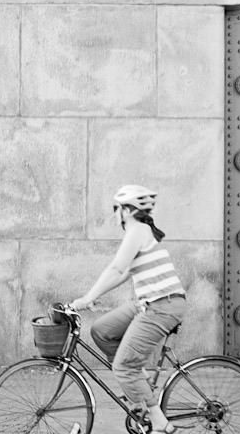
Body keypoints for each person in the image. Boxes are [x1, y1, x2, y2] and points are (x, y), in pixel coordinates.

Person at [70, 185, 186, 434]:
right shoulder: (138, 232)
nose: (115, 214)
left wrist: (87, 297)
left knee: (123, 366)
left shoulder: (138, 231)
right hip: (149, 302)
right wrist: (93, 297)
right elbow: (122, 274)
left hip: (161, 305)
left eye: (117, 209)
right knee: (102, 330)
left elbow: (115, 268)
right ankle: (139, 382)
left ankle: (160, 424)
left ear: (128, 210)